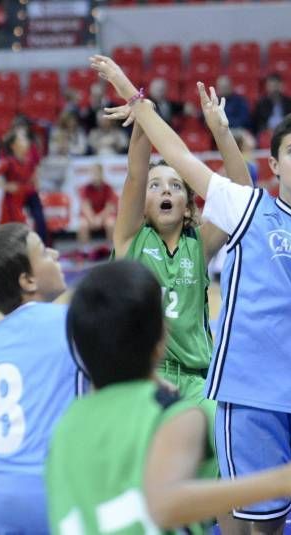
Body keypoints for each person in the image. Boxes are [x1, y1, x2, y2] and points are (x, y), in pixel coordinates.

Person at [91, 54, 291, 535]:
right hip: (244, 391)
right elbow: (178, 156)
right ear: (275, 163)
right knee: (259, 518)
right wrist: (134, 95)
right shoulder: (249, 211)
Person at [47, 259, 291, 534]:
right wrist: (285, 479)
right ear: (161, 338)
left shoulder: (66, 424)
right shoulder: (174, 415)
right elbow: (165, 505)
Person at [107, 82, 253, 533]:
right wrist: (140, 112)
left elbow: (241, 194)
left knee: (214, 486)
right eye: (156, 186)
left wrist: (221, 134)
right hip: (141, 381)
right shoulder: (131, 238)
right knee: (147, 490)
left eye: (176, 184)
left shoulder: (200, 245)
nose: (165, 190)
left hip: (196, 382)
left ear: (190, 203)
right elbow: (134, 172)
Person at [0, 223, 82, 534]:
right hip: (58, 494)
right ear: (27, 280)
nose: (55, 253)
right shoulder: (76, 324)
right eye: (43, 251)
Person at [0, 128, 49, 245]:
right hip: (11, 201)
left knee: (24, 229)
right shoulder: (8, 162)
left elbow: (32, 177)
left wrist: (35, 181)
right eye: (22, 140)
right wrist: (5, 186)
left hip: (23, 197)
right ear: (14, 145)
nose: (26, 142)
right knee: (9, 232)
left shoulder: (28, 160)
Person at [77, 163, 118, 257]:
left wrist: (99, 218)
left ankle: (111, 248)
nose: (94, 176)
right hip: (91, 216)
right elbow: (85, 206)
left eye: (97, 173)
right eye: (92, 173)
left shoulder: (108, 188)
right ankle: (85, 250)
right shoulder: (86, 188)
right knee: (83, 224)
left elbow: (110, 207)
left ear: (101, 174)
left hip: (104, 215)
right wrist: (92, 219)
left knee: (111, 223)